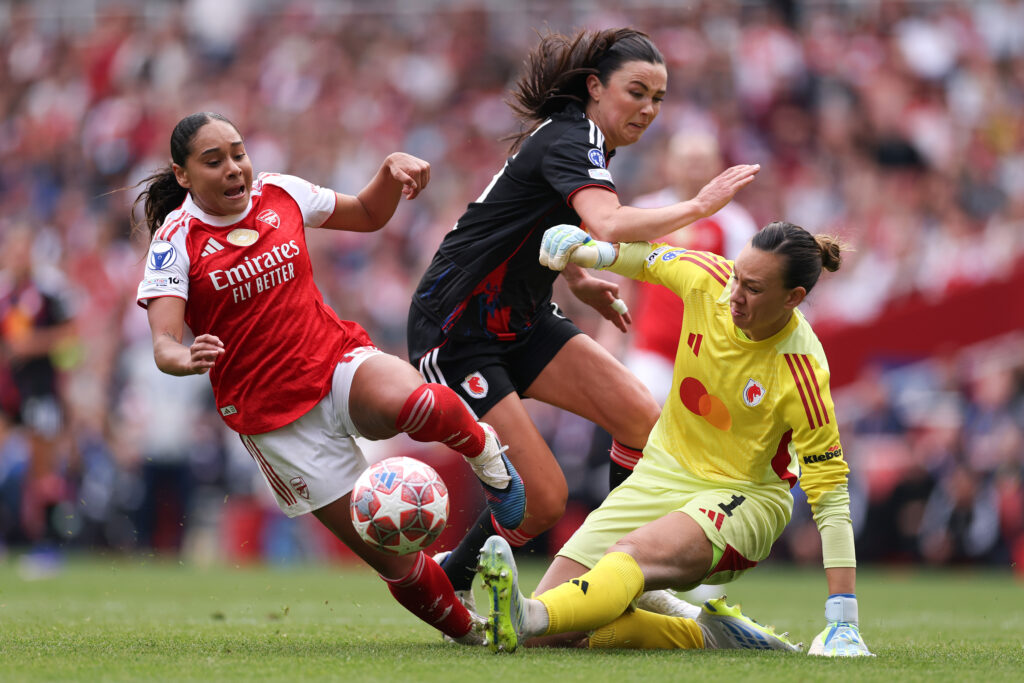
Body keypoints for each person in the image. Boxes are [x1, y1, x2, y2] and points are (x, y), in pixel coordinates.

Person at [133, 111, 528, 645]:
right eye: (214, 161)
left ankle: (487, 456)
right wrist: (187, 356)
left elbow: (367, 213)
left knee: (421, 404)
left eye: (238, 153)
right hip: (275, 421)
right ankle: (478, 635)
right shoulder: (175, 239)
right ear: (183, 176)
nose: (233, 168)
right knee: (395, 559)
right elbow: (163, 345)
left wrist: (389, 172)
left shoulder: (281, 193)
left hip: (334, 360)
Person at [406, 27, 760, 606]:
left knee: (641, 422)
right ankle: (448, 581)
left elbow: (534, 216)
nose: (647, 109)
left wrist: (574, 276)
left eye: (658, 99)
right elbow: (610, 224)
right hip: (457, 330)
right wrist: (698, 205)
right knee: (544, 501)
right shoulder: (574, 138)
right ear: (594, 87)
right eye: (636, 92)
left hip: (520, 320)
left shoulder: (581, 138)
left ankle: (623, 572)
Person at [476, 220, 873, 658]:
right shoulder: (710, 278)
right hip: (663, 473)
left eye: (753, 289)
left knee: (625, 557)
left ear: (793, 298)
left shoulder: (802, 370)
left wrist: (843, 619)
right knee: (560, 632)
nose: (733, 294)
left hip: (744, 497)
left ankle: (527, 615)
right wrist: (588, 251)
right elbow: (646, 258)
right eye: (737, 275)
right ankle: (703, 631)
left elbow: (831, 495)